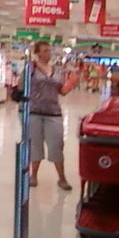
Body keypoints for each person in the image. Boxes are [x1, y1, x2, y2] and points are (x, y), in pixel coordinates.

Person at [27, 40, 79, 190]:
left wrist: (71, 83)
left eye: (49, 50)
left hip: (53, 112)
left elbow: (61, 91)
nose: (48, 53)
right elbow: (21, 86)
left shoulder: (57, 71)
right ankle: (33, 175)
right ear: (37, 53)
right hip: (34, 111)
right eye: (45, 51)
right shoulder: (31, 68)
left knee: (56, 144)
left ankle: (62, 178)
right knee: (35, 145)